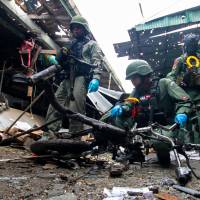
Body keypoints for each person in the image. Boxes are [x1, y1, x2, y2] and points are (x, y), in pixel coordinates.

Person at [101, 59, 192, 167]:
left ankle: (163, 157)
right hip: (144, 127)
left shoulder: (164, 84)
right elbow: (128, 105)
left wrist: (182, 113)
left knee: (160, 143)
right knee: (117, 119)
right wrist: (122, 108)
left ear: (143, 75)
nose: (133, 82)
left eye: (134, 78)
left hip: (166, 126)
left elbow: (185, 100)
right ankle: (134, 152)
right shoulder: (136, 91)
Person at [42, 15, 104, 139]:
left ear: (85, 29)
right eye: (74, 28)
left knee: (75, 107)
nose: (76, 30)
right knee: (56, 103)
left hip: (81, 78)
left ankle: (75, 138)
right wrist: (55, 59)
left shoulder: (92, 44)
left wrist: (96, 77)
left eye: (79, 28)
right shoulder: (69, 45)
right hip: (66, 78)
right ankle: (49, 134)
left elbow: (97, 61)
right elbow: (60, 61)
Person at [167, 33, 200, 143]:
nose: (192, 47)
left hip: (198, 94)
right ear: (185, 45)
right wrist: (182, 78)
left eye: (194, 44)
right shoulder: (180, 60)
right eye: (190, 44)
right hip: (184, 96)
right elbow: (170, 77)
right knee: (185, 124)